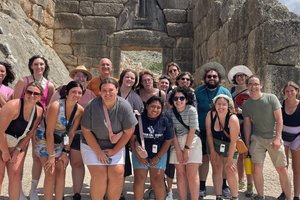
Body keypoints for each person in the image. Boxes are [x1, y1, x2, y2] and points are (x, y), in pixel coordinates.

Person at [81, 78, 138, 199]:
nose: (107, 93)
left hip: (115, 145)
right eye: (104, 90)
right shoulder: (92, 105)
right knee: (100, 174)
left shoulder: (124, 106)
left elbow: (129, 131)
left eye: (111, 90)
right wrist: (98, 152)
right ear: (100, 92)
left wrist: (114, 151)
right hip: (92, 144)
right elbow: (86, 130)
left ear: (117, 90)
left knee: (117, 173)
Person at [243, 75, 292, 200]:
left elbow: (279, 119)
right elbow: (247, 124)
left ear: (261, 85)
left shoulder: (271, 98)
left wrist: (277, 137)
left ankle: (289, 197)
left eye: (256, 84)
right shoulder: (247, 104)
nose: (253, 87)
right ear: (247, 86)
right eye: (251, 84)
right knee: (257, 167)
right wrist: (247, 142)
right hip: (257, 138)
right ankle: (260, 195)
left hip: (273, 137)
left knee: (281, 168)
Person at [49, 65, 95, 200]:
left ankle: (76, 193)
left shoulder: (90, 94)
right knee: (60, 165)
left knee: (76, 163)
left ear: (86, 79)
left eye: (83, 76)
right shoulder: (61, 91)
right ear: (73, 77)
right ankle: (58, 194)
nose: (81, 78)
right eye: (78, 75)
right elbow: (51, 108)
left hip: (79, 132)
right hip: (60, 132)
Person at [13, 55, 55, 200]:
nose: (39, 67)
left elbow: (48, 107)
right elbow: (15, 103)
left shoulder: (49, 85)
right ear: (31, 66)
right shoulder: (23, 81)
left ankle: (33, 189)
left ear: (45, 66)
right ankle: (17, 190)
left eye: (41, 64)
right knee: (20, 156)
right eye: (36, 64)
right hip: (23, 124)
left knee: (37, 157)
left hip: (39, 124)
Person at [36, 81, 84, 200]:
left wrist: (65, 153)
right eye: (74, 92)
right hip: (45, 139)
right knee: (50, 172)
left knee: (61, 169)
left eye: (79, 93)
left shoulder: (80, 110)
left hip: (62, 140)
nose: (76, 95)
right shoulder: (56, 106)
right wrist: (52, 155)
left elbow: (71, 133)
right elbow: (49, 132)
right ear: (67, 93)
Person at [0, 82, 43, 199]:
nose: (32, 95)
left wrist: (17, 150)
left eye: (36, 93)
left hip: (17, 144)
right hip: (1, 141)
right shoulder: (13, 105)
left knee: (15, 174)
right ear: (24, 93)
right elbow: (0, 130)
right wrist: (4, 151)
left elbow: (30, 133)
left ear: (40, 97)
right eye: (29, 92)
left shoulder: (38, 111)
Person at [195, 62, 232, 198]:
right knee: (204, 158)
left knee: (221, 159)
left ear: (219, 77)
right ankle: (202, 185)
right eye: (209, 76)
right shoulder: (198, 91)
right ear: (205, 78)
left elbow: (231, 111)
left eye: (214, 76)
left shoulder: (225, 92)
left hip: (220, 132)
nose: (212, 78)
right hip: (203, 131)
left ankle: (223, 185)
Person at [132, 96, 173, 200]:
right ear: (147, 106)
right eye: (152, 106)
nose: (155, 110)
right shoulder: (138, 118)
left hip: (159, 154)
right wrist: (139, 156)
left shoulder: (165, 119)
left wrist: (158, 157)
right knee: (139, 179)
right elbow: (132, 139)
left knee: (158, 179)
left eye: (158, 107)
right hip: (140, 154)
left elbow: (168, 140)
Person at [168, 86, 202, 200]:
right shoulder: (169, 112)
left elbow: (193, 129)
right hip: (176, 141)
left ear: (186, 99)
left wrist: (186, 150)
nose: (178, 101)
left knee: (192, 174)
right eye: (176, 98)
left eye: (181, 98)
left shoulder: (191, 110)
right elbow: (172, 132)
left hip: (192, 140)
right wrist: (178, 150)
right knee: (180, 174)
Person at [206, 94, 239, 200]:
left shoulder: (233, 119)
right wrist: (212, 151)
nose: (221, 107)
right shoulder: (210, 115)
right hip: (215, 144)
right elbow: (209, 134)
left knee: (230, 170)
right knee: (216, 168)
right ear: (214, 105)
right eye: (218, 104)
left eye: (224, 104)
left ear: (228, 105)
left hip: (230, 145)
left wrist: (229, 160)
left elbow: (234, 141)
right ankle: (218, 195)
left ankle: (235, 196)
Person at [227, 65, 253, 196]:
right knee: (239, 153)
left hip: (249, 125)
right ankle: (240, 179)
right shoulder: (231, 90)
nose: (240, 78)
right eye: (238, 76)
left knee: (248, 154)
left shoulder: (251, 90)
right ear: (235, 79)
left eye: (242, 76)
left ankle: (250, 183)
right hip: (236, 124)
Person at [118, 69, 144, 199]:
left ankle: (119, 192)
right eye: (127, 77)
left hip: (127, 135)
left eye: (132, 78)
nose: (129, 80)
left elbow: (140, 117)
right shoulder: (113, 91)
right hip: (110, 134)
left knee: (122, 166)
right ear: (122, 78)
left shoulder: (135, 98)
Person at [277, 81, 300, 200]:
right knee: (283, 167)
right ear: (284, 93)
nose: (290, 93)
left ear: (297, 91)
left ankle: (296, 195)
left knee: (296, 168)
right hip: (283, 137)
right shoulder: (281, 104)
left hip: (297, 137)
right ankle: (285, 192)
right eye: (287, 91)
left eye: (292, 90)